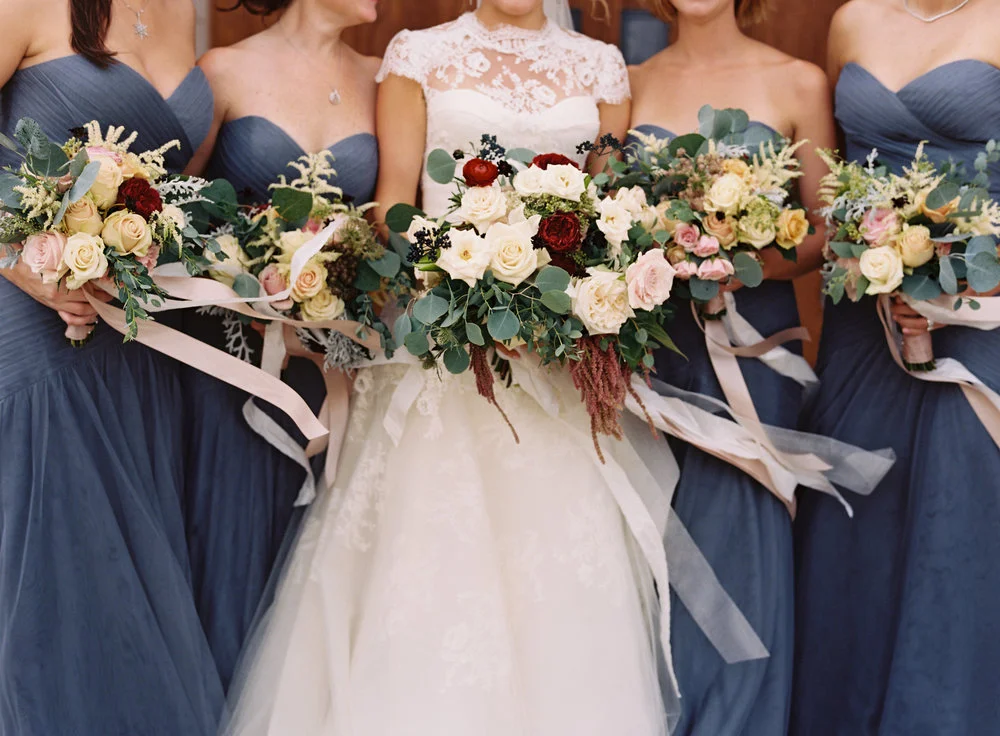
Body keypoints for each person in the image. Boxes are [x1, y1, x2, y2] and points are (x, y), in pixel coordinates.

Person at [220, 1, 674, 734]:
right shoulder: (416, 54)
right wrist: (461, 294)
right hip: (437, 354)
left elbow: (606, 211)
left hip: (551, 369)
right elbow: (395, 205)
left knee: (555, 590)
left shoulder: (602, 67)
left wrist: (558, 307)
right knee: (428, 576)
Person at [0, 0, 223, 732]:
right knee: (62, 573)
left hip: (136, 338)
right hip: (39, 322)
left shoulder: (182, 12)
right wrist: (16, 258)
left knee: (134, 587)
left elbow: (176, 192)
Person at [792, 1, 1000, 733]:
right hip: (864, 318)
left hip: (981, 320)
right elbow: (837, 184)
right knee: (855, 535)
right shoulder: (851, 19)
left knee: (960, 537)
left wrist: (981, 281)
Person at [627, 1, 834, 733]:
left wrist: (747, 261)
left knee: (740, 549)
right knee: (649, 547)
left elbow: (826, 228)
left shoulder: (799, 81)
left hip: (755, 351)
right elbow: (606, 218)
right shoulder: (629, 82)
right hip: (655, 355)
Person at [183, 0, 380, 689]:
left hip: (331, 365)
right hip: (227, 360)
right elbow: (176, 207)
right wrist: (239, 267)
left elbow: (381, 230)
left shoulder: (380, 77)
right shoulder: (223, 69)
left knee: (311, 557)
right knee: (227, 539)